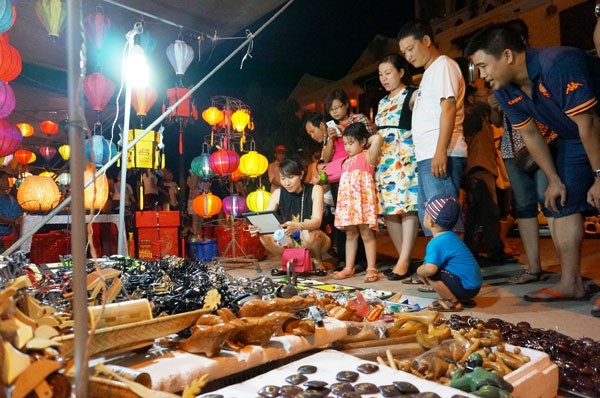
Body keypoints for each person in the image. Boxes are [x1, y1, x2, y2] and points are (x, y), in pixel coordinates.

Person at [465, 24, 600, 316]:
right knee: (561, 200)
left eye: (483, 66)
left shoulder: (558, 63)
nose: (483, 75)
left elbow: (589, 122)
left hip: (593, 124)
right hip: (573, 136)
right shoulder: (503, 91)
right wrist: (553, 179)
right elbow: (531, 135)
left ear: (508, 56)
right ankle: (570, 282)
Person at [486, 19, 556, 284]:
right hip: (512, 147)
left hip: (544, 139)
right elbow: (495, 121)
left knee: (548, 200)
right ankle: (533, 268)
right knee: (524, 206)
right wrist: (495, 105)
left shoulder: (539, 67)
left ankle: (566, 269)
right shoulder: (499, 79)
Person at [398, 20, 467, 236]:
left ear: (426, 41)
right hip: (428, 154)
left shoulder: (443, 65)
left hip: (441, 152)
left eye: (410, 49)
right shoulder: (429, 72)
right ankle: (443, 266)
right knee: (430, 220)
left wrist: (440, 152)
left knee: (445, 218)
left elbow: (448, 108)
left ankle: (455, 268)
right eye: (404, 52)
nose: (408, 56)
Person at [374, 53, 420, 281]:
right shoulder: (382, 102)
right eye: (381, 74)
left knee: (407, 205)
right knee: (389, 209)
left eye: (388, 72)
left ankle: (403, 260)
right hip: (384, 158)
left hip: (404, 155)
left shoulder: (411, 94)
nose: (383, 78)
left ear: (401, 72)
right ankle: (404, 258)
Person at [249, 158, 331, 275]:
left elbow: (317, 221)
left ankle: (317, 261)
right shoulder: (277, 193)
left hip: (313, 239)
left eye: (291, 177)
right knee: (264, 236)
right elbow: (266, 218)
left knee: (308, 233)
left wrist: (298, 226)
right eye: (283, 178)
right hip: (289, 240)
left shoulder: (315, 190)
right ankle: (288, 261)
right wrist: (259, 228)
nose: (287, 183)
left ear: (301, 174)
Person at [462, 84, 514, 264]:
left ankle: (472, 251)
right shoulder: (469, 114)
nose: (489, 95)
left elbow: (497, 120)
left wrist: (492, 105)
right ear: (471, 98)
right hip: (477, 166)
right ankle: (494, 251)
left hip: (484, 166)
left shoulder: (483, 113)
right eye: (484, 94)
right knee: (490, 210)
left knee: (476, 213)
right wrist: (485, 104)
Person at [324, 89, 372, 271]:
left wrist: (346, 134)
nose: (335, 112)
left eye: (338, 107)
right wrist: (330, 138)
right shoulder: (330, 128)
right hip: (339, 177)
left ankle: (363, 260)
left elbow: (369, 141)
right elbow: (327, 157)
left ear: (346, 105)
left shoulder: (359, 120)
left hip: (359, 174)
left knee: (360, 219)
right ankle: (346, 260)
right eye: (331, 109)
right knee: (343, 220)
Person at [332, 123, 383, 283]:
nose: (347, 147)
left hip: (362, 202)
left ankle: (371, 267)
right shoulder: (346, 161)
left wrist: (366, 141)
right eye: (345, 143)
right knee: (350, 234)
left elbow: (378, 138)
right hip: (349, 204)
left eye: (351, 143)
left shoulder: (368, 156)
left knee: (367, 234)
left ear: (362, 142)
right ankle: (349, 267)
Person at [416, 194, 482, 312]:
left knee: (430, 273)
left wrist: (419, 270)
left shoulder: (436, 242)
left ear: (430, 221)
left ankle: (451, 302)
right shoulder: (452, 237)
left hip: (465, 288)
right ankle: (463, 299)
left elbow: (430, 269)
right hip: (474, 286)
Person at [0, 172, 22, 246]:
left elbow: (19, 214)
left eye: (7, 179)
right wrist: (14, 221)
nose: (7, 182)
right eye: (3, 180)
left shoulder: (11, 198)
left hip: (13, 233)